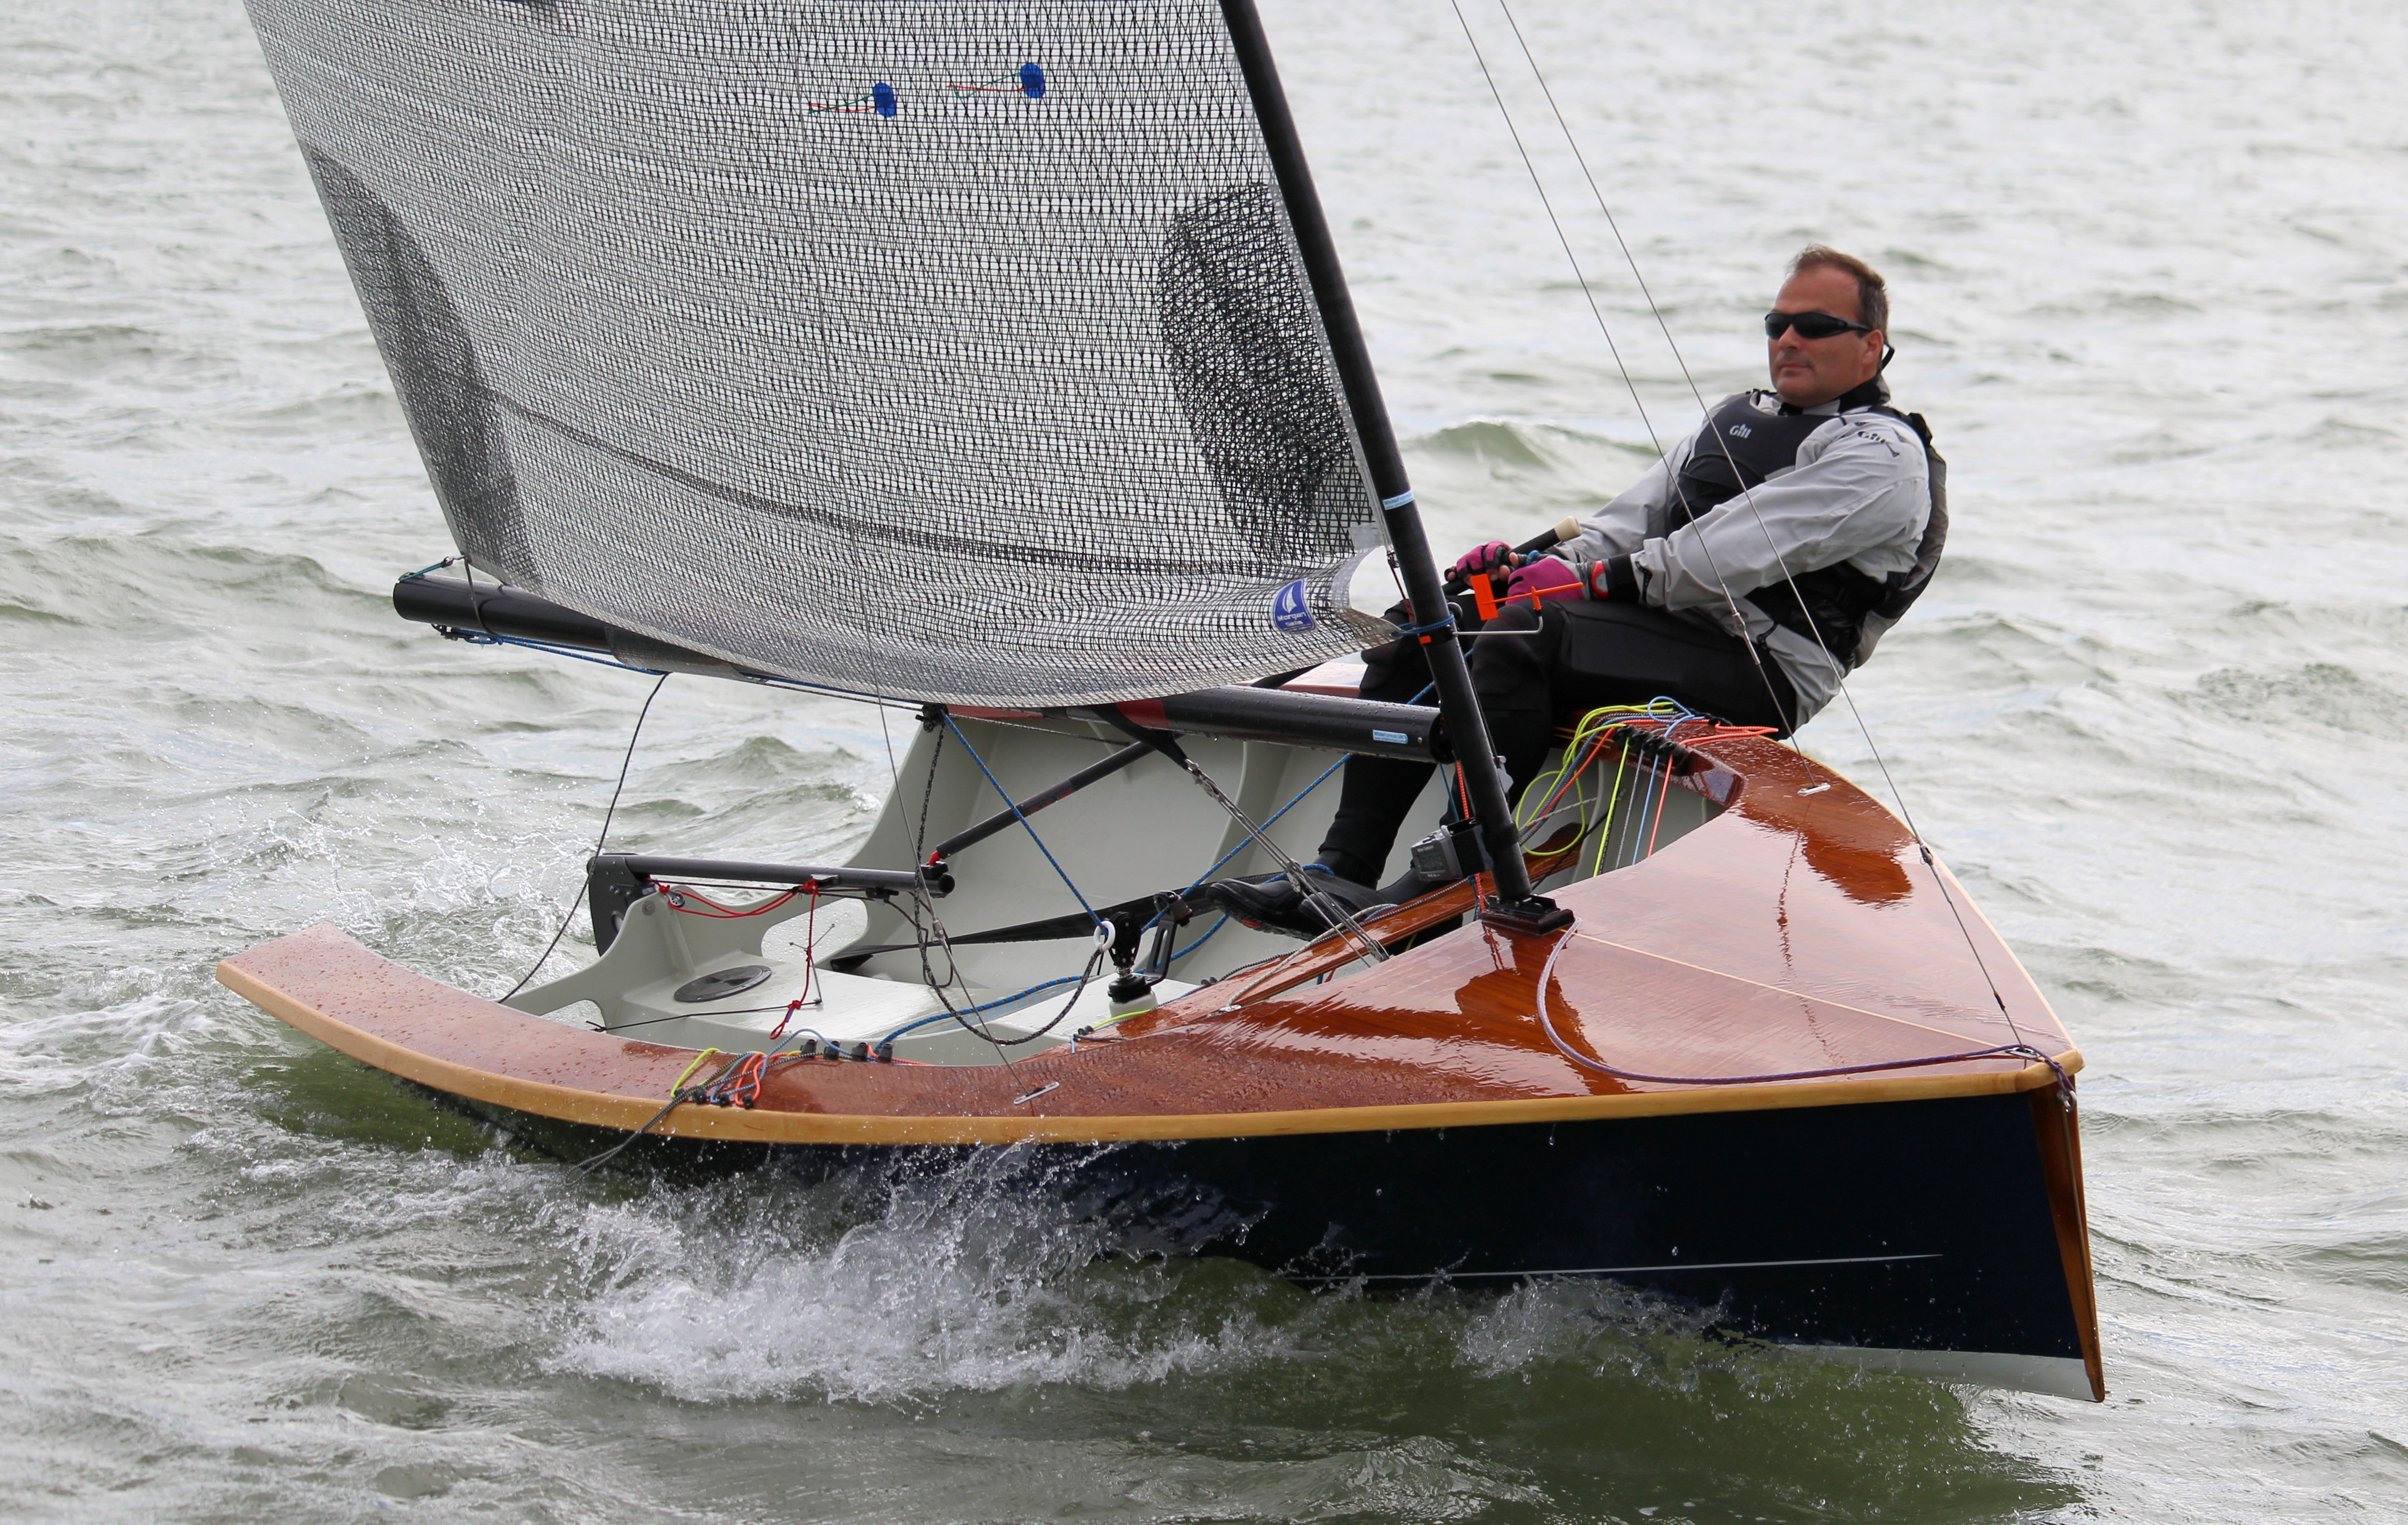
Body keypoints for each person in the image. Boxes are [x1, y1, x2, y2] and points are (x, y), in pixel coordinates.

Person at [1210, 245, 1947, 937]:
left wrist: (1579, 582)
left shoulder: (1879, 457)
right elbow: (1624, 526)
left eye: (1814, 327)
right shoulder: (1735, 419)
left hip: (1759, 666)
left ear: (1871, 345)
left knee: (1526, 632)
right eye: (1776, 324)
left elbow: (1717, 558)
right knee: (1430, 626)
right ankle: (1337, 874)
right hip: (1657, 623)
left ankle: (1446, 882)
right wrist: (1518, 572)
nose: (1788, 339)